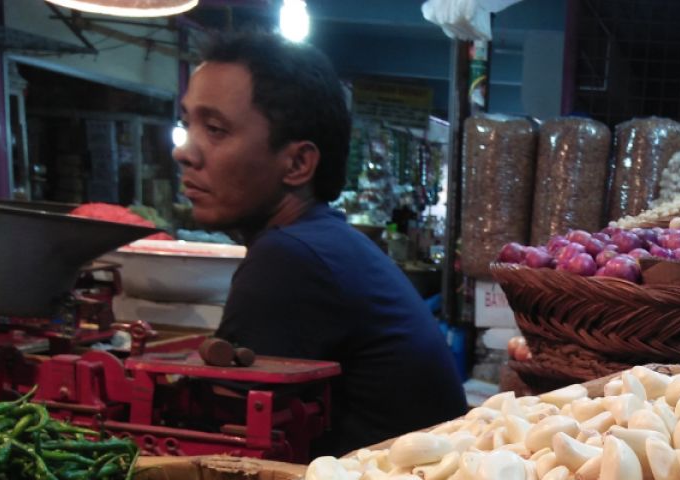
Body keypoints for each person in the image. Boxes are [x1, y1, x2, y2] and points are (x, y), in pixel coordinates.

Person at [173, 31, 467, 456]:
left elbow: (225, 449)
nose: (186, 151)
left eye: (215, 129)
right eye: (188, 124)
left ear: (297, 163)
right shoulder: (321, 242)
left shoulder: (290, 259)